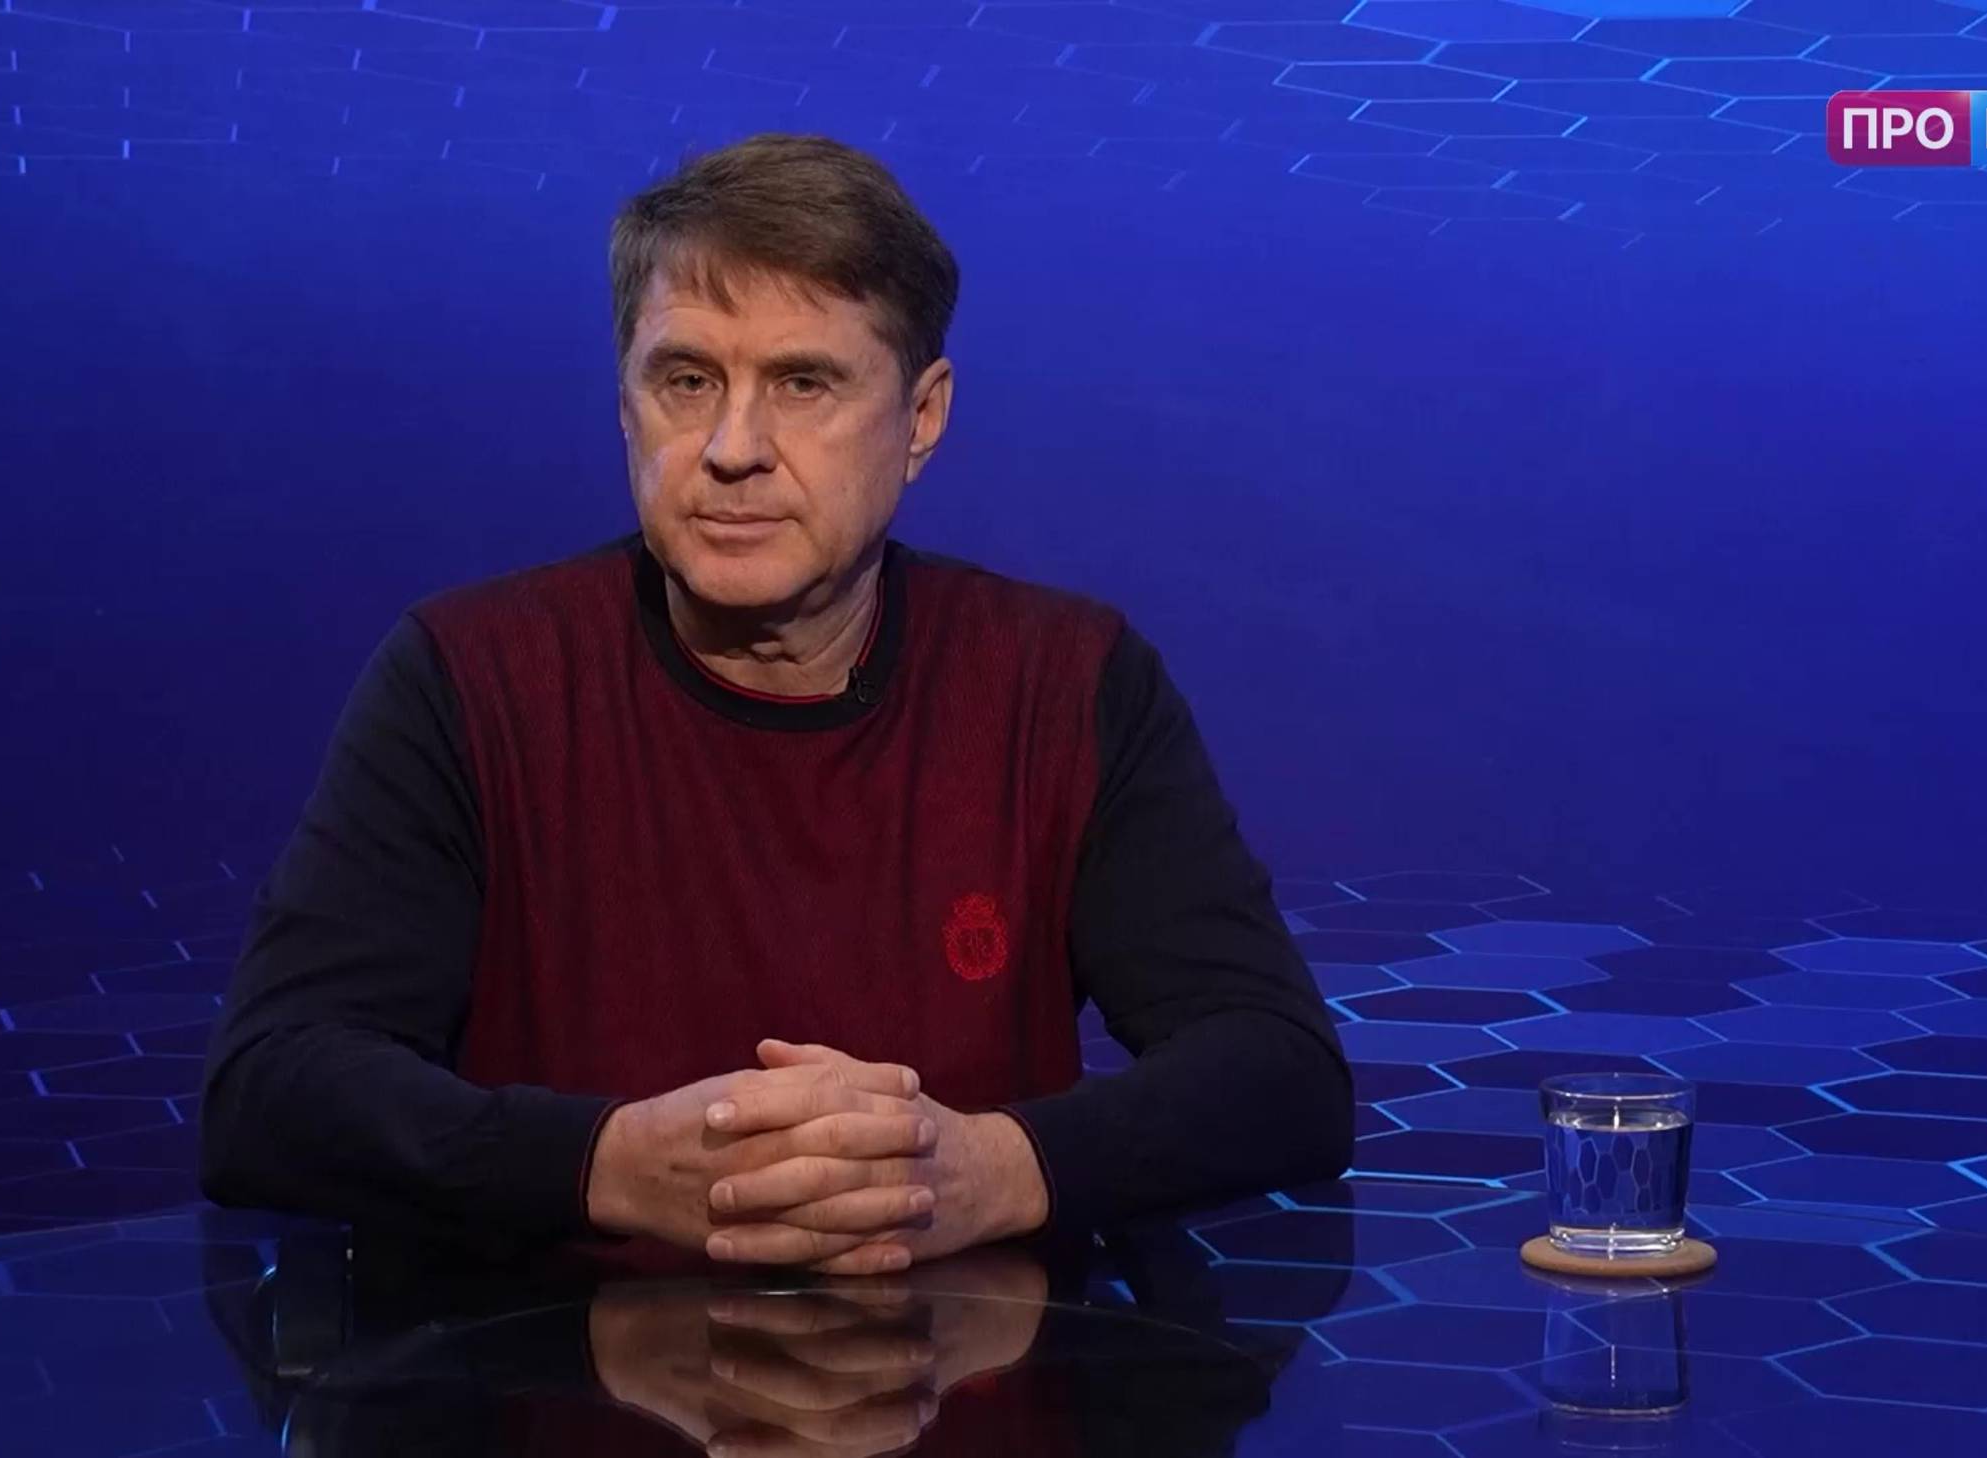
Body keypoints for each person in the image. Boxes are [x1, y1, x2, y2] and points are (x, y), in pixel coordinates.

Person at [198, 133, 1352, 1276]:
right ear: (624, 406)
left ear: (922, 419)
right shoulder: (470, 674)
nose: (731, 448)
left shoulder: (1065, 682)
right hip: (540, 1366)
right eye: (686, 381)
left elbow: (1281, 1074)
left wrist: (981, 1172)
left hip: (974, 1370)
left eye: (804, 383)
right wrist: (604, 1166)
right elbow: (271, 1090)